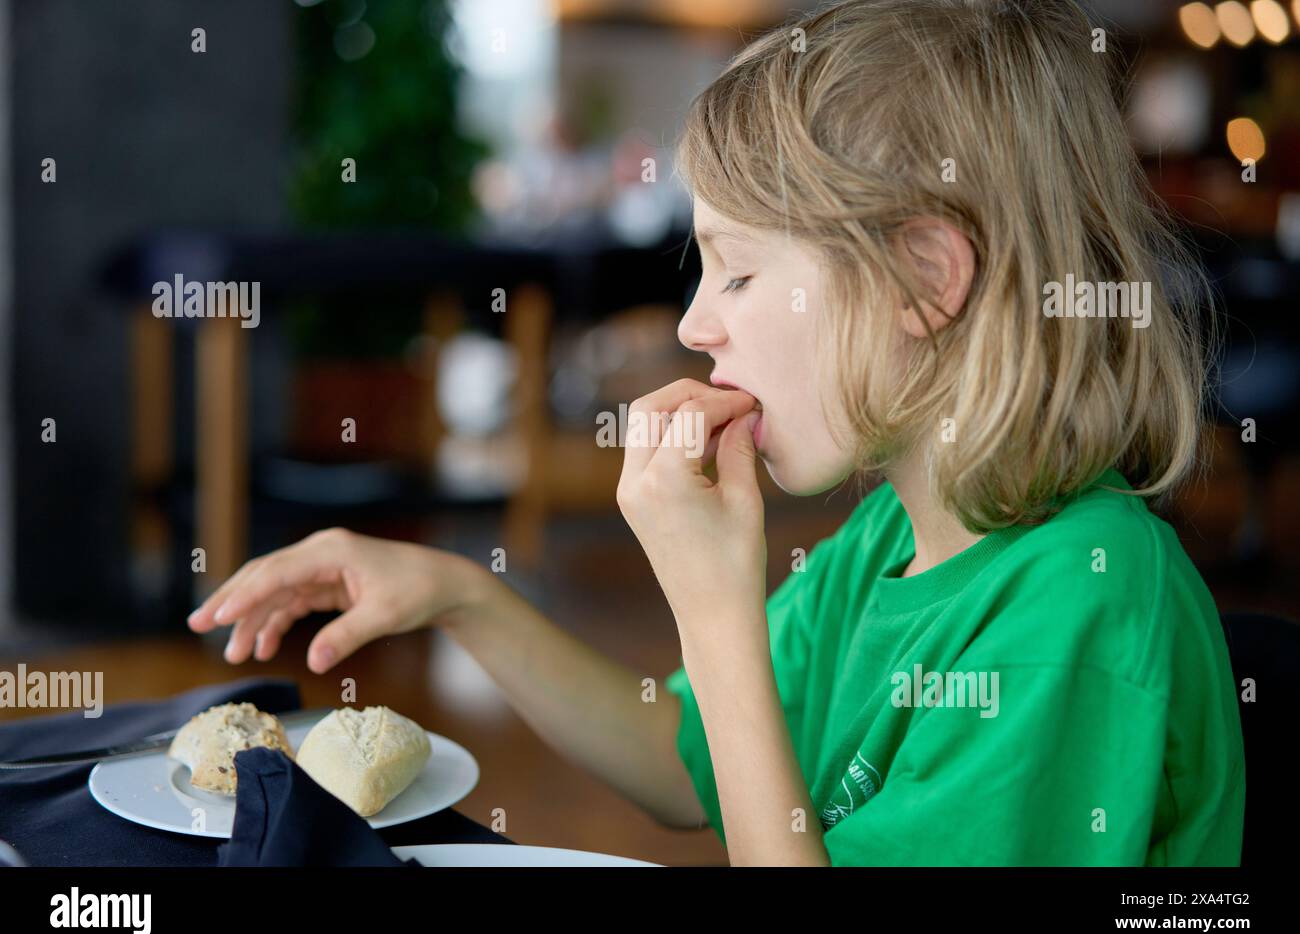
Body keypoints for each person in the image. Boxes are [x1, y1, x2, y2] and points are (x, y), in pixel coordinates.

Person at [189, 0, 1244, 865]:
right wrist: (458, 595)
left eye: (739, 271)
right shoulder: (890, 544)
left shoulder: (1083, 599)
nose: (695, 326)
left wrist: (712, 610)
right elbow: (684, 755)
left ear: (924, 278)